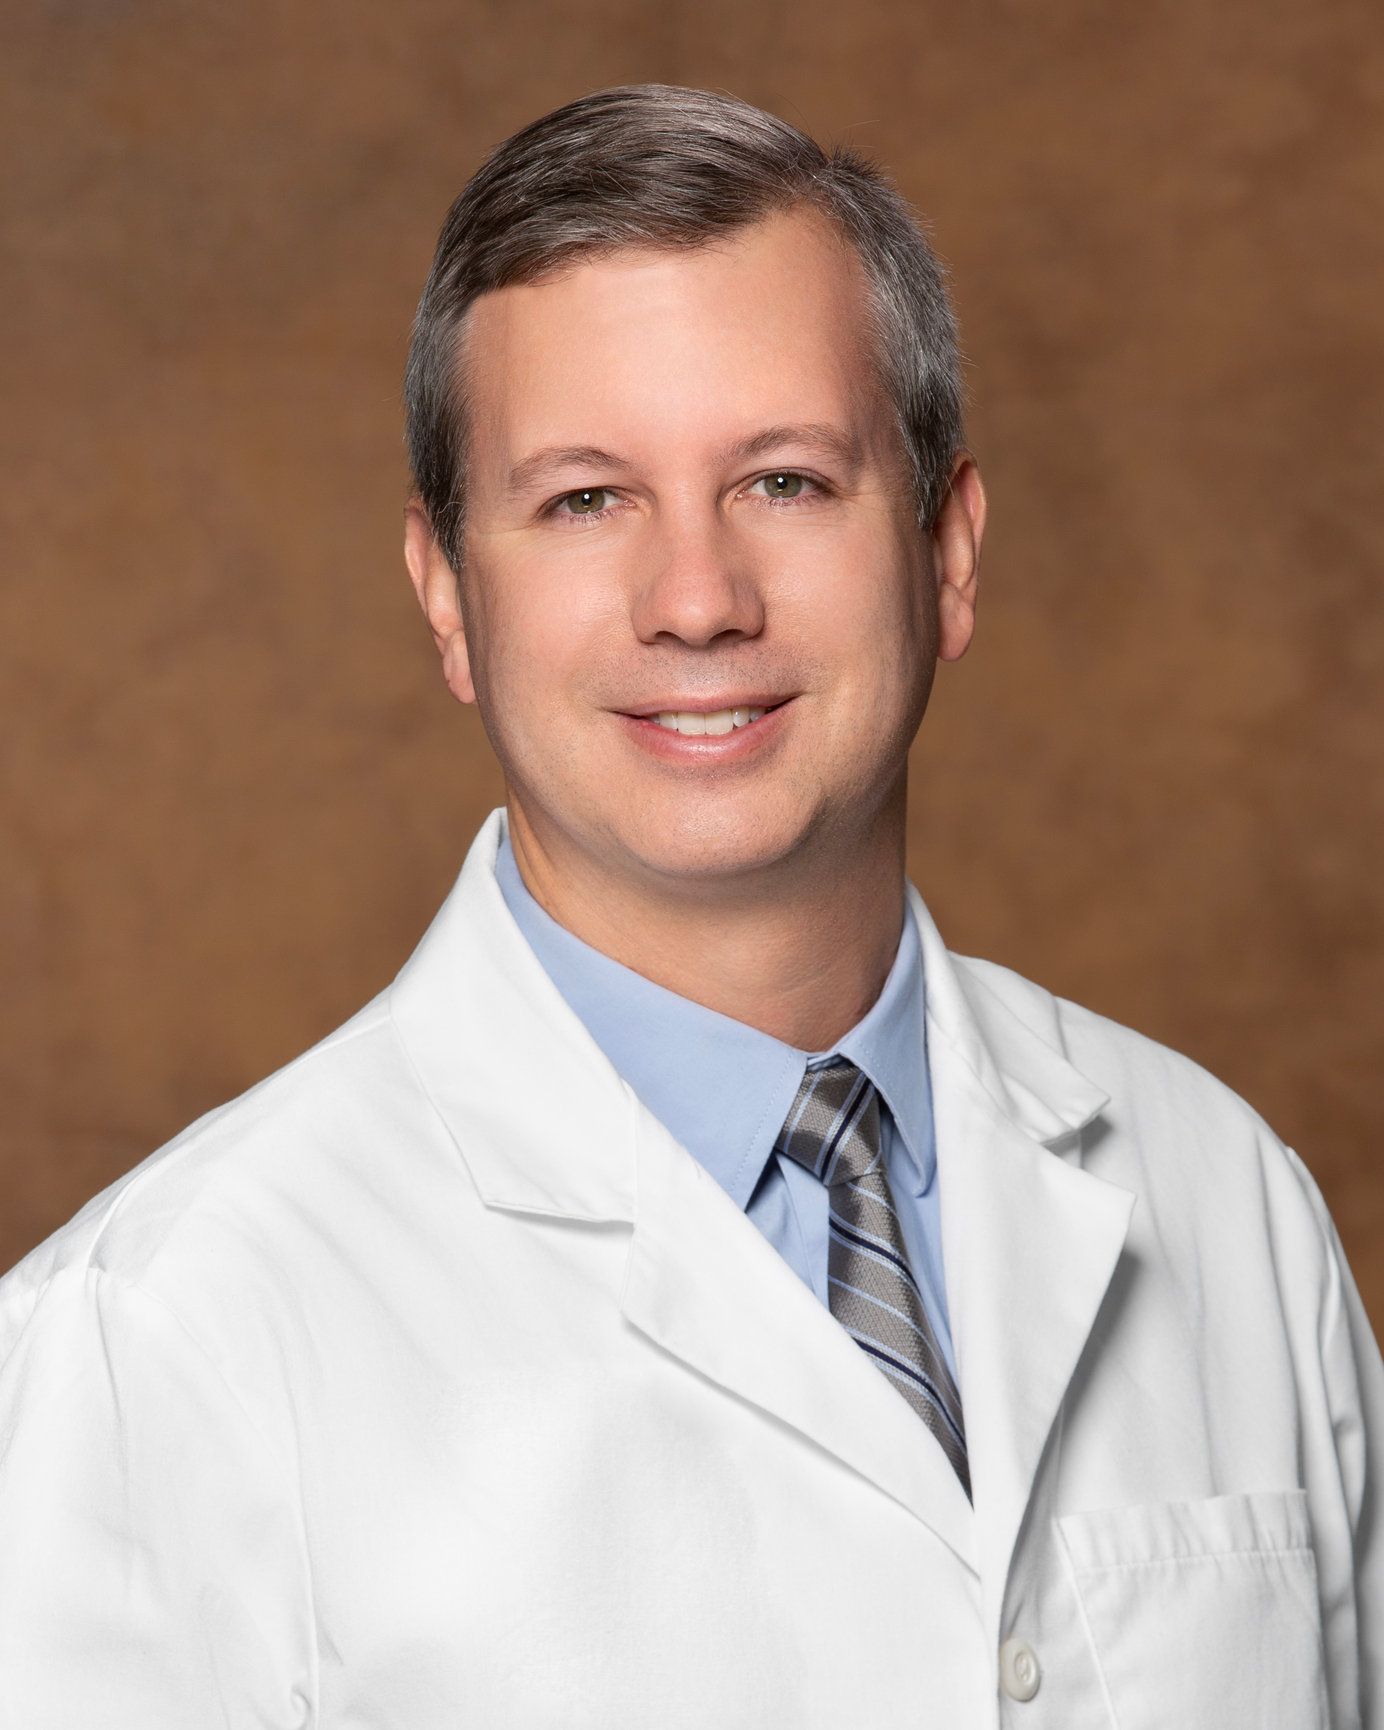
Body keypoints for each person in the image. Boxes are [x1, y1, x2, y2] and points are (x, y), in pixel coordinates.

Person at [0, 81, 1378, 1730]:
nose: (700, 600)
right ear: (447, 592)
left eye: (786, 480)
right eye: (586, 497)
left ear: (945, 548)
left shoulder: (1230, 1202)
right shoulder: (158, 1341)